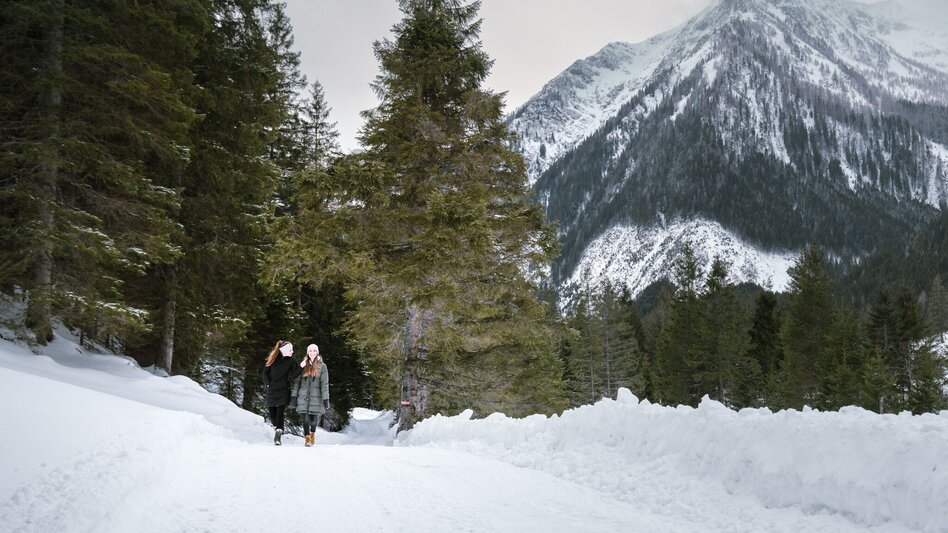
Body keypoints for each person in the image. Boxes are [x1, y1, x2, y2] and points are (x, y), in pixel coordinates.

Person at [262, 340, 301, 446]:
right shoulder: (273, 359)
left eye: (292, 350)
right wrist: (267, 384)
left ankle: (278, 436)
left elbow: (295, 374)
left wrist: (302, 366)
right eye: (290, 350)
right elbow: (265, 373)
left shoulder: (291, 361)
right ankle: (277, 427)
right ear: (283, 350)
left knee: (280, 414)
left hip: (284, 390)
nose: (292, 352)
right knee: (273, 415)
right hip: (272, 390)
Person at [291, 343, 329, 447]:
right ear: (307, 352)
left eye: (314, 351)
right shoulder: (303, 364)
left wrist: (326, 398)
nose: (312, 353)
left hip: (316, 397)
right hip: (303, 396)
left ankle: (313, 433)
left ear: (317, 352)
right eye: (310, 351)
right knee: (305, 418)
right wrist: (294, 396)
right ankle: (307, 438)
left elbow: (324, 384)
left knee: (313, 419)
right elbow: (297, 382)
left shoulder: (322, 366)